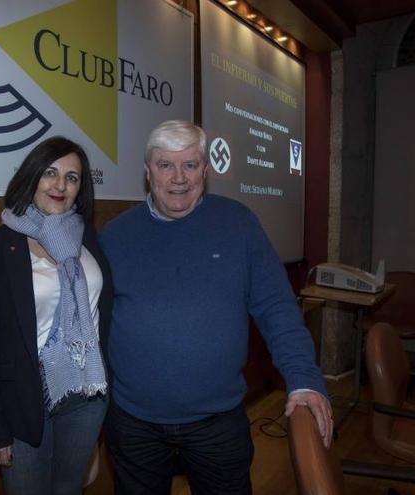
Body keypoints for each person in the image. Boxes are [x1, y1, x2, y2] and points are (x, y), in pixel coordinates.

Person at [99, 120, 332, 494]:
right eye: (164, 165)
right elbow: (92, 327)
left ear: (205, 171)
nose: (178, 177)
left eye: (189, 165)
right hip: (134, 423)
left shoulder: (238, 224)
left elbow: (277, 307)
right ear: (147, 172)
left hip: (218, 422)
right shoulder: (113, 236)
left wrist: (303, 377)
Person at [0, 137, 112, 494]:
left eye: (73, 177)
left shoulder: (87, 238)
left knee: (68, 490)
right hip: (24, 402)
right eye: (50, 173)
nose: (60, 185)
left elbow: (101, 315)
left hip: (87, 396)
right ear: (31, 177)